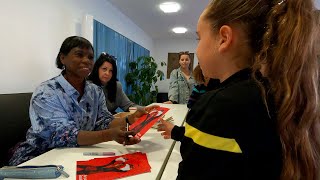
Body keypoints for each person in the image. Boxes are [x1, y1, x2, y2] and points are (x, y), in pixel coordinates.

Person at [158, 0, 320, 179]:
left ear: (224, 38)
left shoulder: (218, 106)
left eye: (199, 38)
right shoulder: (274, 93)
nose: (195, 50)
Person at [9, 36, 158, 166]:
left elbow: (104, 121)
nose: (86, 60)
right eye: (79, 55)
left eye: (90, 57)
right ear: (63, 58)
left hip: (77, 153)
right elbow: (64, 135)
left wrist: (131, 119)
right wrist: (110, 135)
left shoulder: (95, 91)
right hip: (39, 157)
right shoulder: (46, 92)